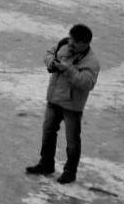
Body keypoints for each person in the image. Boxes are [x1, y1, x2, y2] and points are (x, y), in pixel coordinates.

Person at [25, 23, 100, 184]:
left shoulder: (91, 62)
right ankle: (46, 164)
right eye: (71, 39)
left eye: (75, 41)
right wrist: (51, 62)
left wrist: (69, 70)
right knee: (48, 133)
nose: (70, 43)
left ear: (85, 43)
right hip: (54, 100)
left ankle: (70, 173)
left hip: (72, 106)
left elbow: (88, 83)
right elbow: (49, 53)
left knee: (72, 141)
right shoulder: (63, 45)